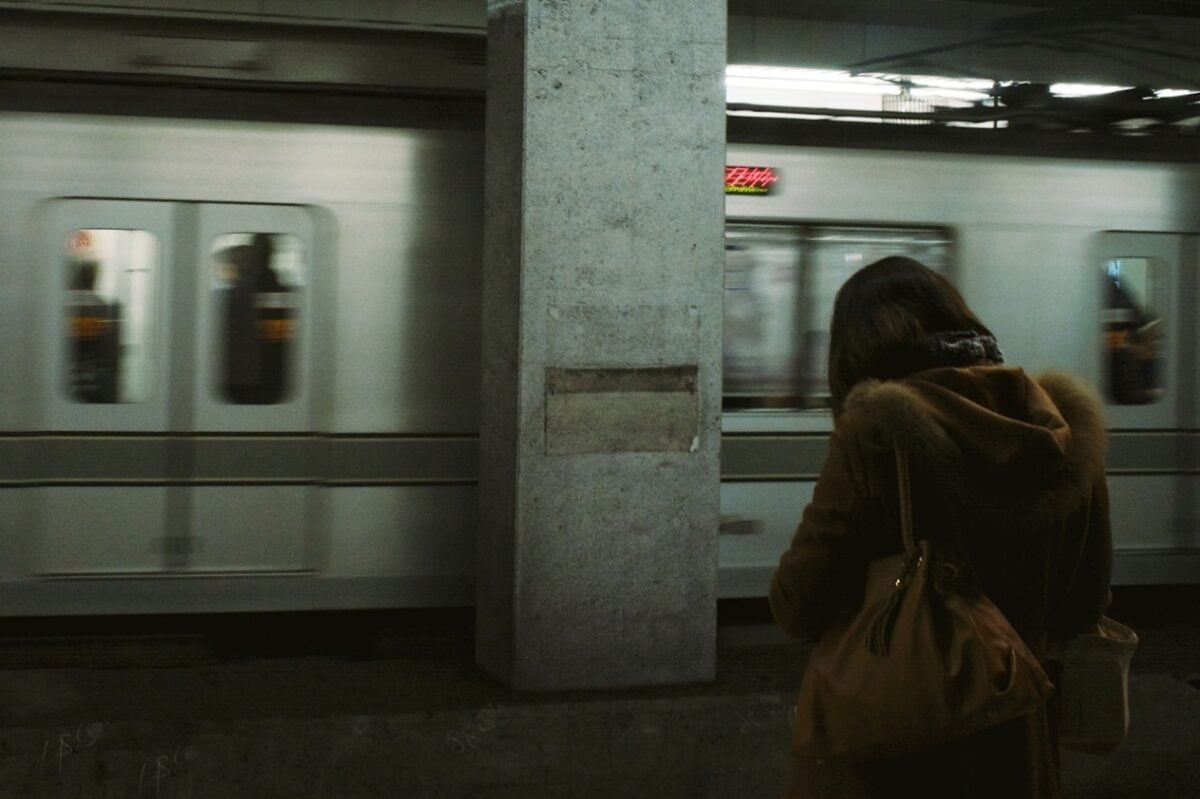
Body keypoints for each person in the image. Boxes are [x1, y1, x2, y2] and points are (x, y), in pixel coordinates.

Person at [769, 256, 1112, 799]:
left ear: (853, 348)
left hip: (902, 737)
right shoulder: (1063, 430)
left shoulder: (875, 431)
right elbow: (1085, 603)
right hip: (1016, 732)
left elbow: (799, 601)